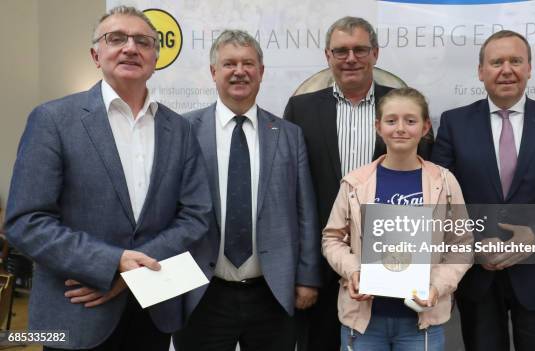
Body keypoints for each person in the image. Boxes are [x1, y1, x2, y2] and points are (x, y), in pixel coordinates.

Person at [3, 5, 213, 351]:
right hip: (76, 311)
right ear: (95, 54)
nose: (131, 47)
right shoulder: (53, 120)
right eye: (116, 38)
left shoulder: (179, 130)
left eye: (143, 41)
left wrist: (133, 275)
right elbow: (25, 221)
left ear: (156, 57)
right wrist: (112, 262)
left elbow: (195, 215)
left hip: (153, 311)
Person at [431, 30, 535, 351]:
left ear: (529, 68)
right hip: (478, 277)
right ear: (481, 71)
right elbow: (440, 200)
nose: (506, 69)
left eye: (515, 61)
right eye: (496, 61)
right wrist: (475, 247)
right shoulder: (454, 124)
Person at [283, 16, 433, 351]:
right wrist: (302, 269)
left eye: (360, 49)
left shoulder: (401, 109)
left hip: (394, 262)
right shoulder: (300, 108)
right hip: (321, 261)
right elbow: (288, 191)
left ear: (375, 53)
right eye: (341, 51)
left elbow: (425, 180)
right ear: (328, 56)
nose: (351, 58)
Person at [172, 29, 321, 351]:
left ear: (261, 72)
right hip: (200, 291)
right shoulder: (183, 129)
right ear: (214, 72)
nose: (239, 71)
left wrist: (307, 276)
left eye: (248, 63)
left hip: (272, 292)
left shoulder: (288, 134)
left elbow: (305, 212)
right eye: (229, 64)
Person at [322, 87, 473, 350]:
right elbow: (332, 238)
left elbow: (462, 245)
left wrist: (437, 287)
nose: (400, 128)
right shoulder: (355, 183)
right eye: (391, 121)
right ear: (378, 127)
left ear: (425, 127)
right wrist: (353, 271)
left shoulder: (445, 182)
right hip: (364, 320)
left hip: (421, 322)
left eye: (410, 120)